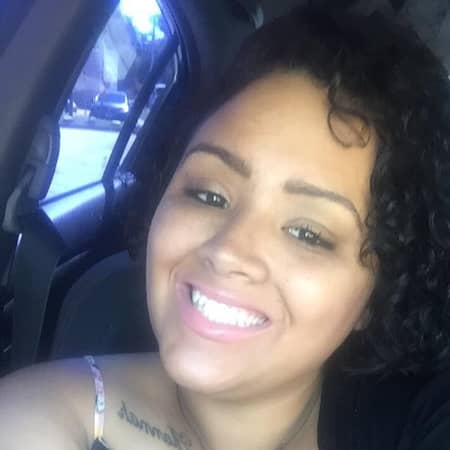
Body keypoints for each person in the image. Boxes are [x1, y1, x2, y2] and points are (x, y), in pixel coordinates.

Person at [1, 5, 450, 450]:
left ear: (378, 295)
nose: (228, 249)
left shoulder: (411, 417)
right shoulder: (39, 420)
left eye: (308, 234)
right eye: (208, 195)